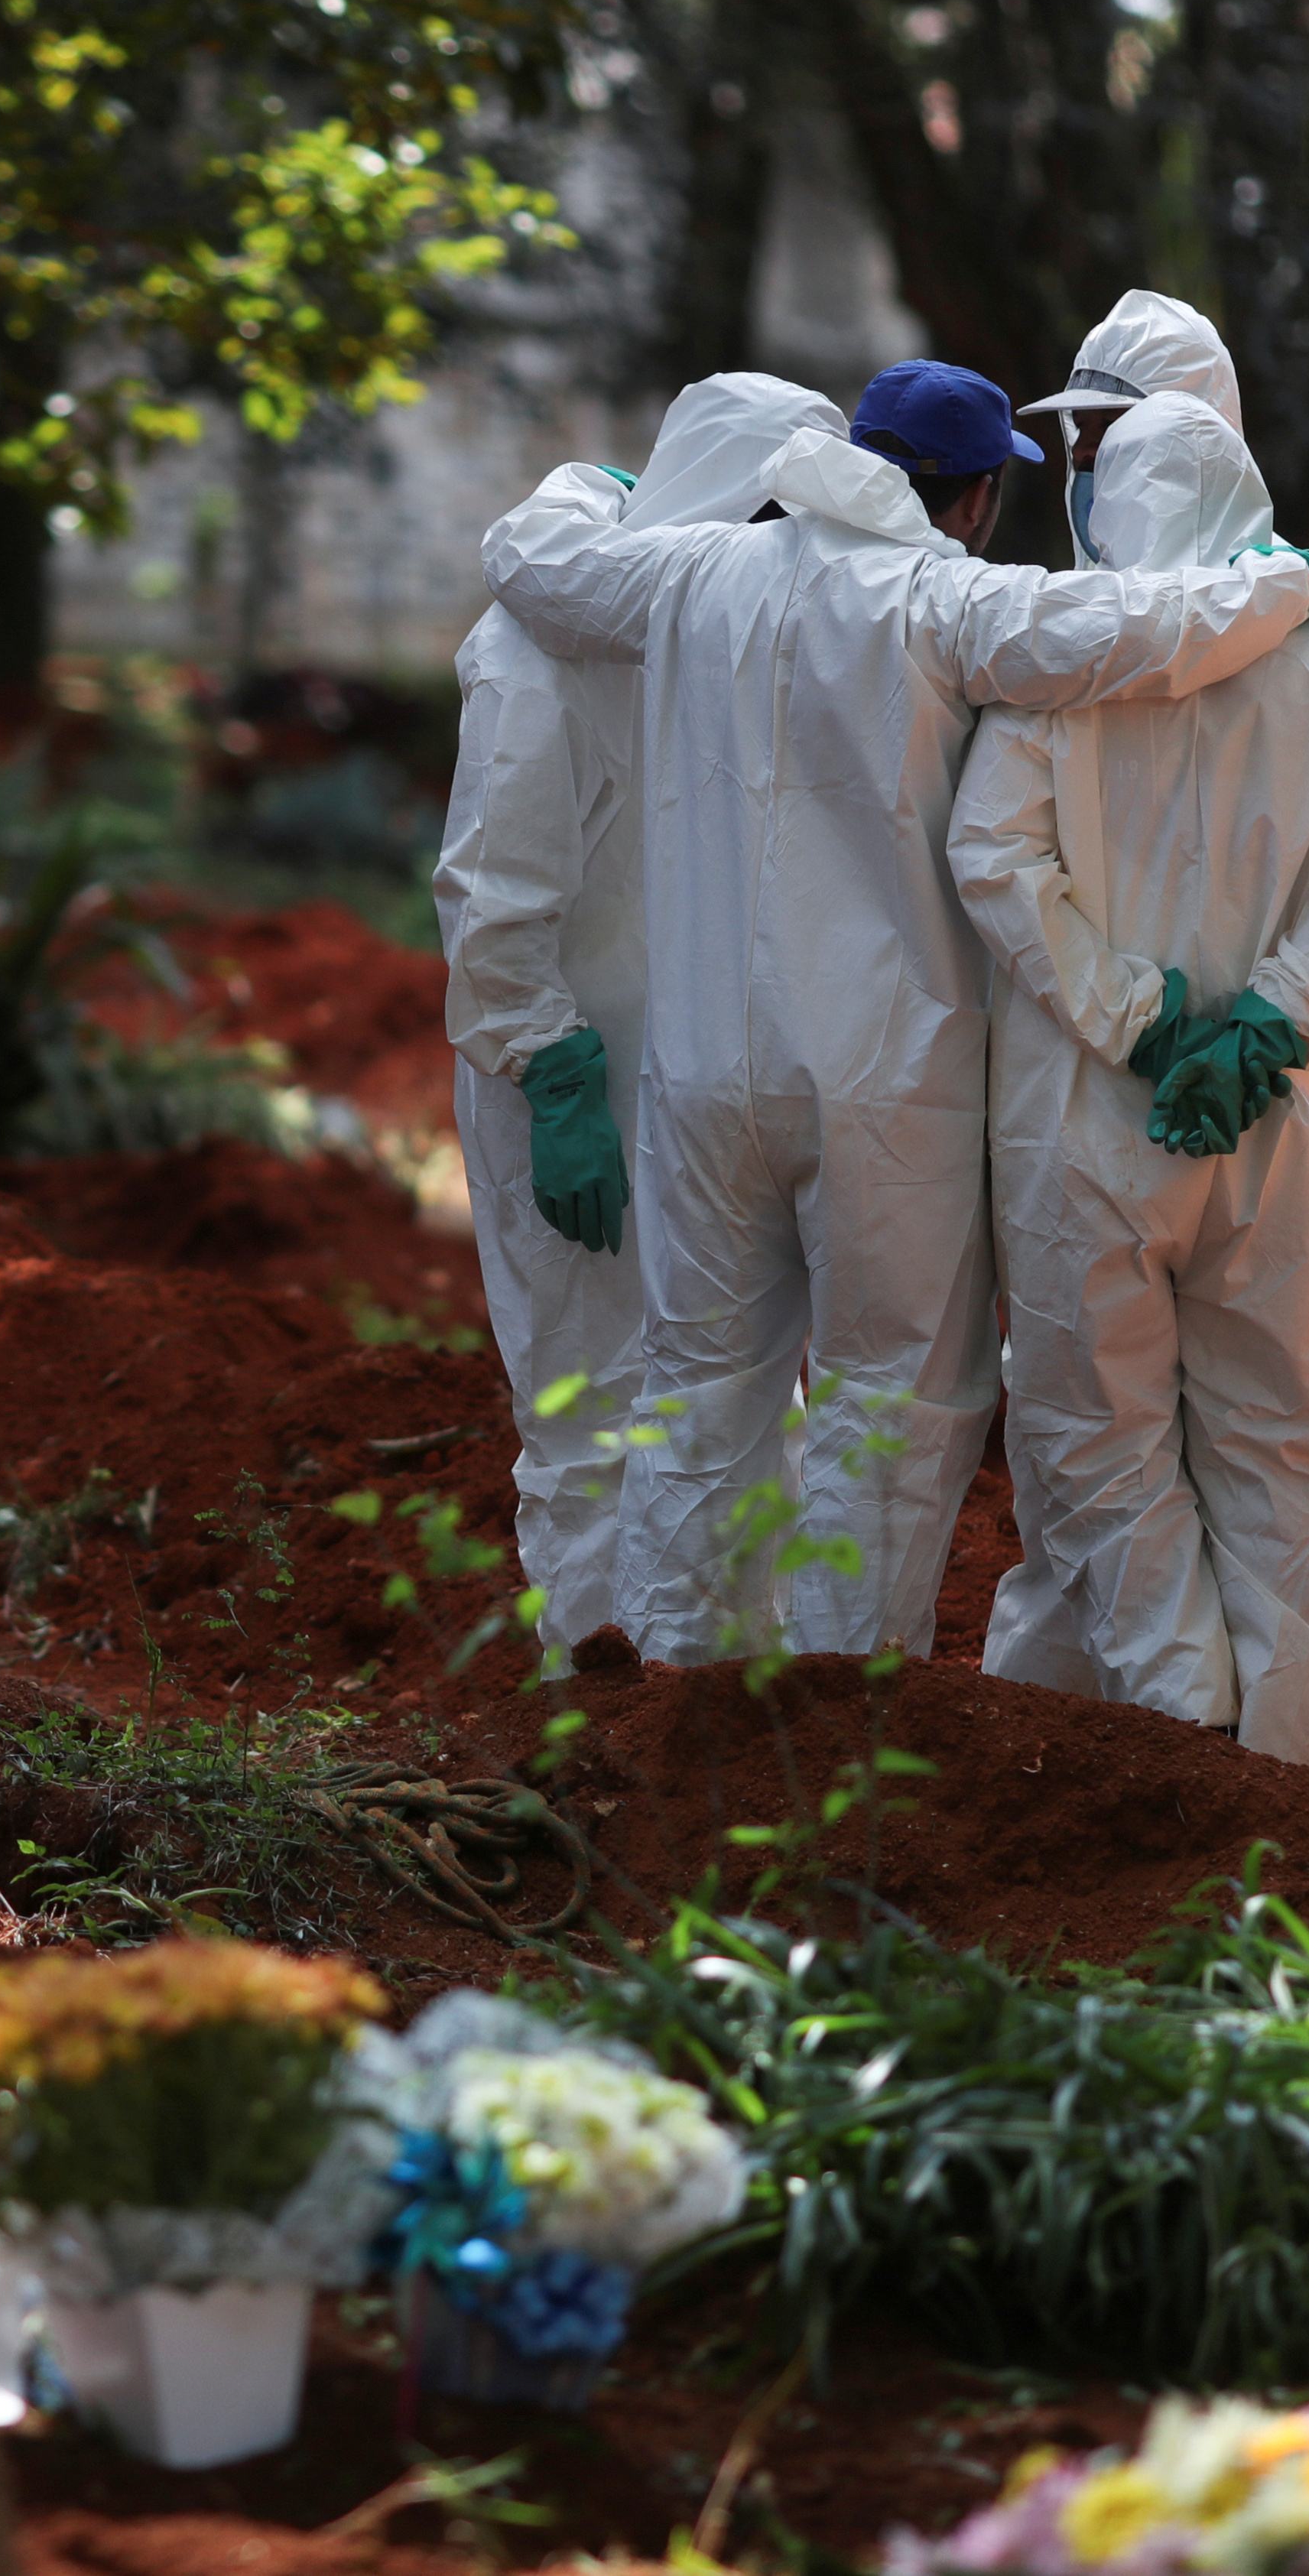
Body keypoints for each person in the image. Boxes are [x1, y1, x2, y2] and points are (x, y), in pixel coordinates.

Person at [476, 359, 1309, 1668]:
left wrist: (579, 489)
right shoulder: (940, 599)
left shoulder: (684, 576)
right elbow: (1133, 635)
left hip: (693, 1086)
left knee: (698, 1393)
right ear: (973, 500)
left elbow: (531, 566)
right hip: (880, 1090)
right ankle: (842, 1722)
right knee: (883, 1406)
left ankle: (681, 1722)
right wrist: (1293, 581)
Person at [947, 391, 1309, 1770]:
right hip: (1268, 1132)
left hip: (1077, 1125)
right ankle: (1276, 1765)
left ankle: (1166, 1734)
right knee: (1279, 1441)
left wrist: (1135, 1020)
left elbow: (993, 859)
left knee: (1090, 1446)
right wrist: (1259, 1034)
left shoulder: (1072, 664)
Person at [437, 373, 843, 1662]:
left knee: (719, 1395)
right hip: (563, 1072)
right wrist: (546, 1071)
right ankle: (597, 1702)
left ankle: (716, 1688)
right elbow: (494, 893)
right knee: (585, 1400)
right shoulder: (532, 653)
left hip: (685, 1070)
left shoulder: (715, 629)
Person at [1018, 289, 1247, 565]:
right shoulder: (1082, 596)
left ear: (1194, 438)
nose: (1081, 451)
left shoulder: (1273, 587)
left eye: (1112, 425)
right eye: (1080, 426)